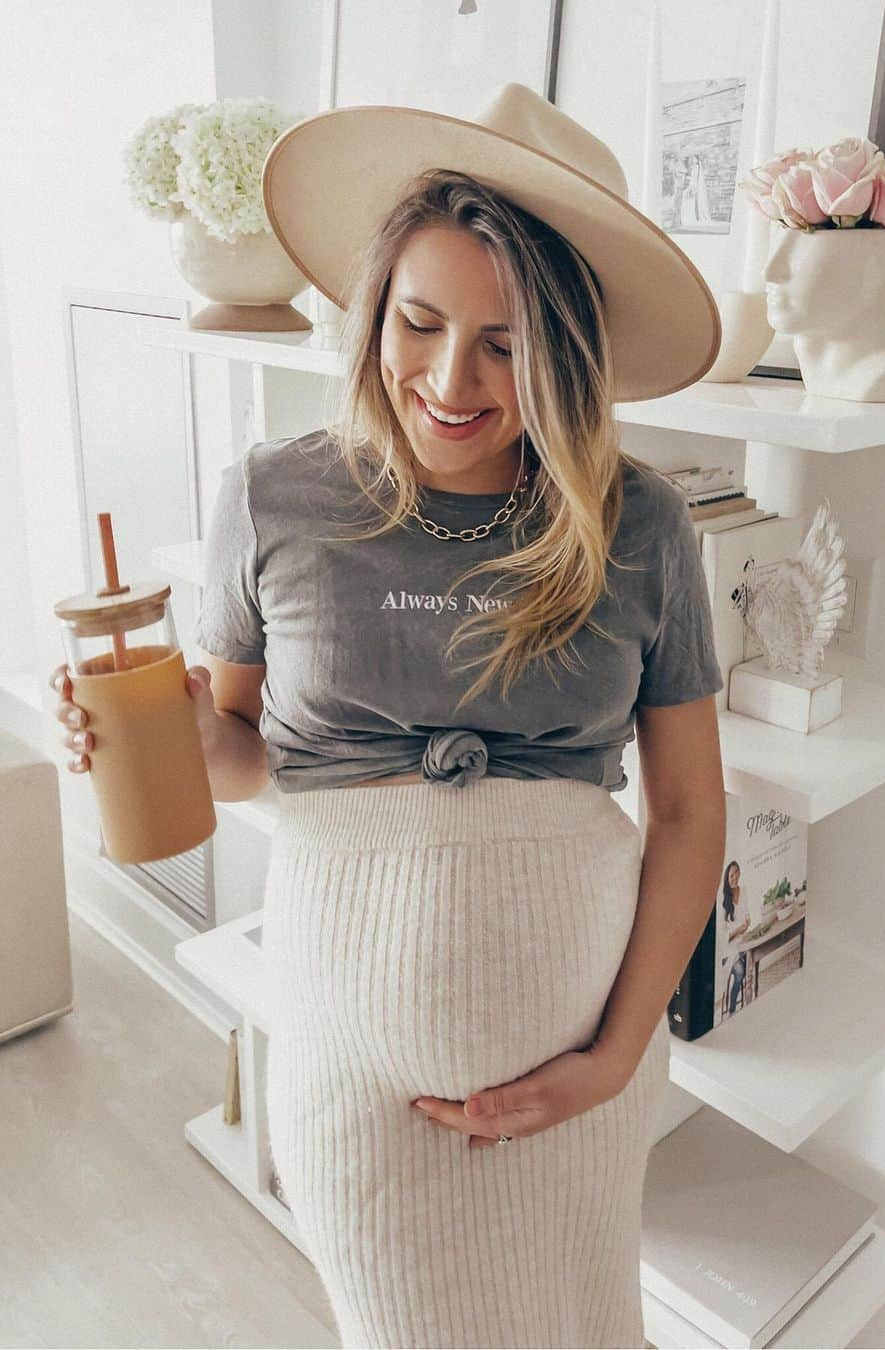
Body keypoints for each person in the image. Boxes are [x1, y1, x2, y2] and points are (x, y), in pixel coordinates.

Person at [50, 82, 727, 1350]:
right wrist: (178, 735)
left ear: (569, 349)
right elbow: (242, 756)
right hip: (354, 1073)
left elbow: (690, 809)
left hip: (588, 1073)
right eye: (419, 324)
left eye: (507, 341)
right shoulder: (275, 496)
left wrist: (616, 1058)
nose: (450, 381)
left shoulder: (640, 523)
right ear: (372, 319)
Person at [720, 859, 751, 1017]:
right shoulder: (724, 902)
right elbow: (722, 936)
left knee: (748, 966)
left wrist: (747, 922)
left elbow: (747, 915)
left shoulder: (744, 890)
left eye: (736, 873)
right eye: (730, 875)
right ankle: (732, 1010)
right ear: (727, 878)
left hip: (742, 943)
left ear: (739, 873)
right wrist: (738, 930)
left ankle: (746, 1001)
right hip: (728, 950)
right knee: (739, 972)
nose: (734, 878)